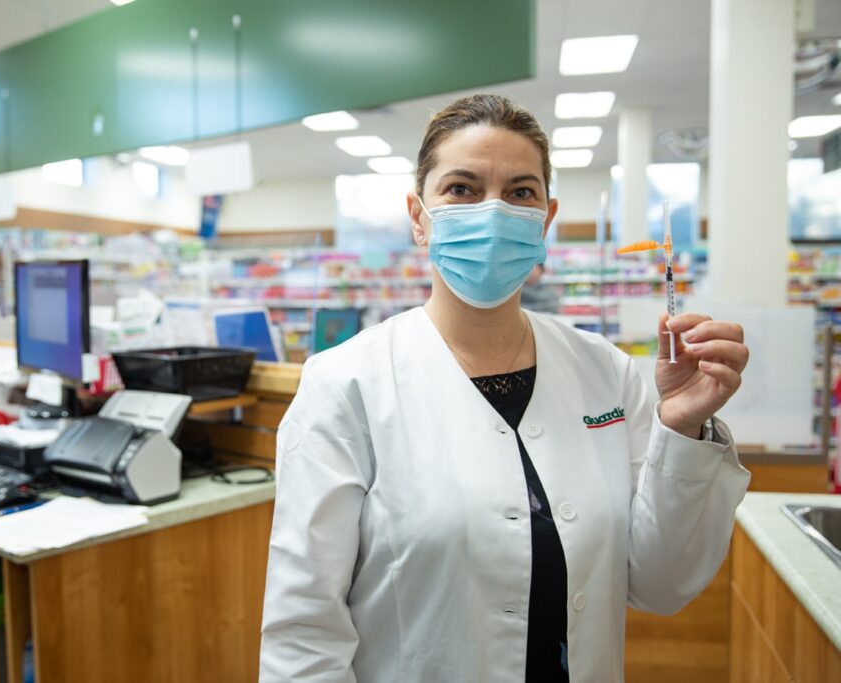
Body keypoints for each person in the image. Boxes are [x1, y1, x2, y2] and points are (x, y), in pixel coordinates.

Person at [259, 94, 750, 683]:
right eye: (461, 189)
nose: (492, 211)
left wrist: (682, 426)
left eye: (520, 192)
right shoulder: (345, 385)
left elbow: (661, 584)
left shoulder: (607, 372)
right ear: (419, 216)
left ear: (545, 219)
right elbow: (304, 628)